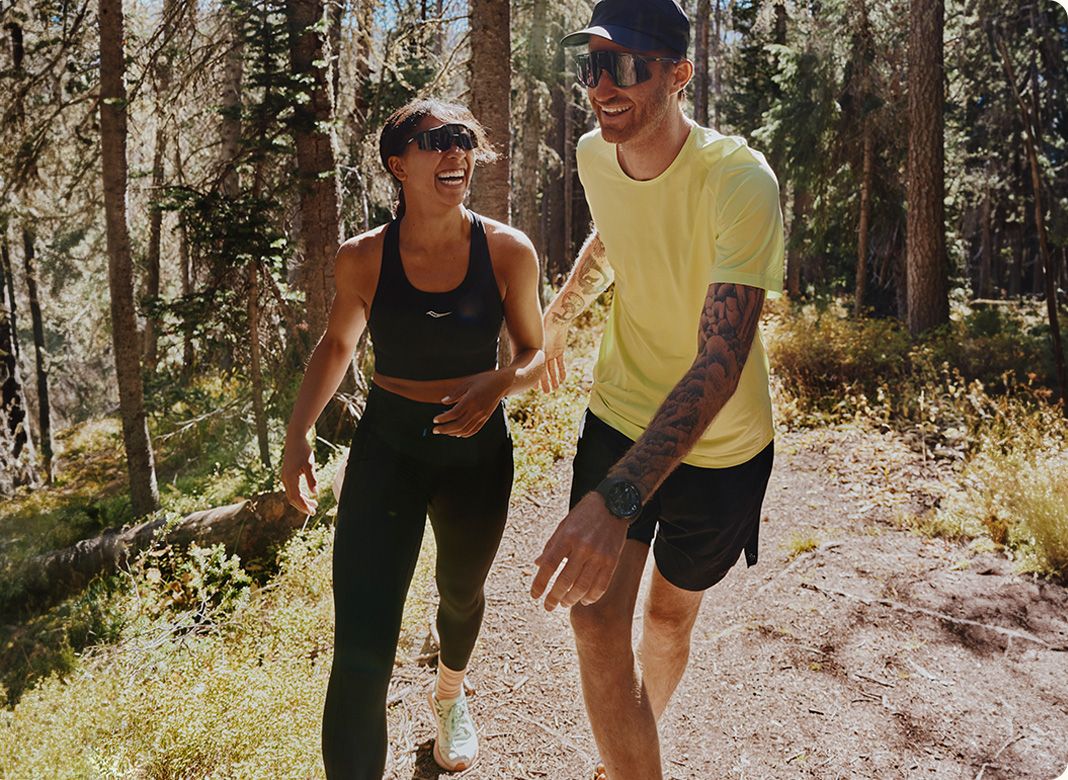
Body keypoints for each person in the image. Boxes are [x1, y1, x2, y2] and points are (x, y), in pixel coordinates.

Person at [529, 1, 784, 778]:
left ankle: (624, 755)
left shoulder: (738, 180)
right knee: (595, 623)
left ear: (679, 75)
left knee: (669, 620)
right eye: (592, 64)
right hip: (618, 413)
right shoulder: (592, 153)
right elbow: (612, 232)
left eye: (628, 64)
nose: (604, 84)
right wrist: (556, 317)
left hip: (724, 447)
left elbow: (717, 364)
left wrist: (615, 501)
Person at [281, 98, 544, 779]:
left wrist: (497, 385)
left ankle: (450, 695)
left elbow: (536, 354)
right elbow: (338, 343)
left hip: (476, 451)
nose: (456, 153)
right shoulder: (362, 258)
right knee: (360, 651)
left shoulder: (509, 251)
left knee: (460, 593)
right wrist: (297, 434)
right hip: (389, 449)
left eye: (464, 140)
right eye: (438, 142)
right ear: (399, 165)